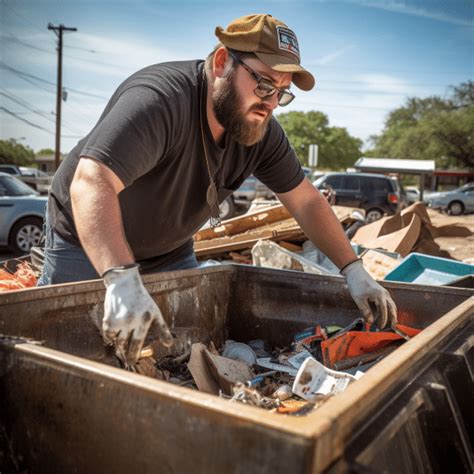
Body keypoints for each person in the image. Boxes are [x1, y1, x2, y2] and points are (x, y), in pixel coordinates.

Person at [38, 14, 397, 366]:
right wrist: (119, 279)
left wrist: (353, 270)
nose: (271, 103)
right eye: (264, 85)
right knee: (64, 352)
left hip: (168, 250)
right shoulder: (160, 99)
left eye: (282, 94)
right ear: (223, 62)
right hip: (84, 241)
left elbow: (305, 200)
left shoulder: (260, 130)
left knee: (176, 356)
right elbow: (91, 182)